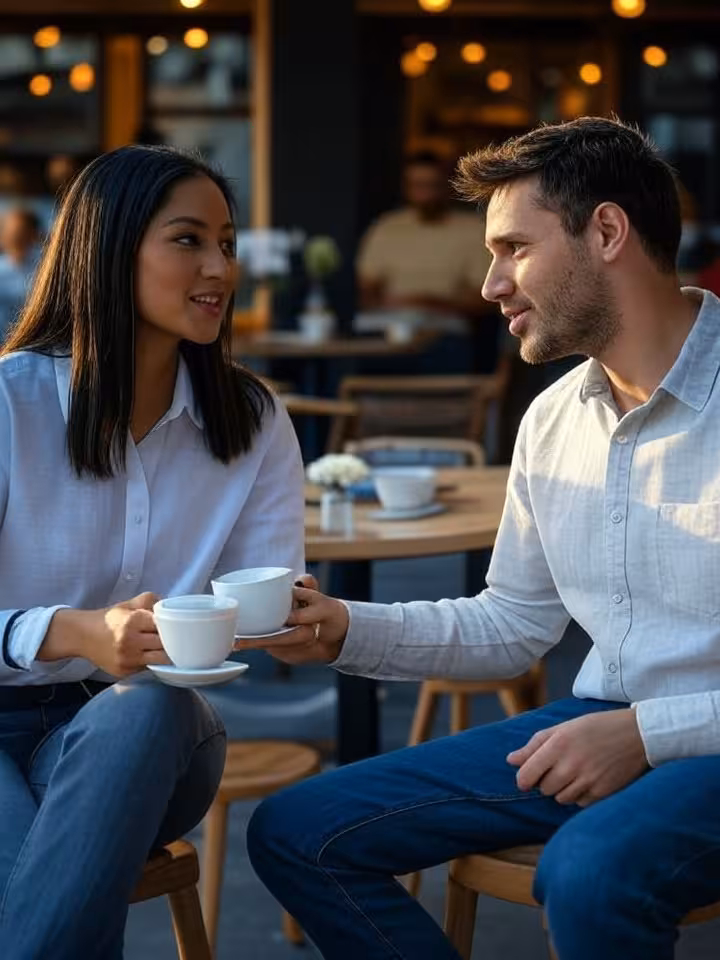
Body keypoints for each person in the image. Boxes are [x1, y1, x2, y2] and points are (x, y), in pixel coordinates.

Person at [242, 116, 720, 960]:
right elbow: (512, 625)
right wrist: (347, 627)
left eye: (513, 249)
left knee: (590, 871)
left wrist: (649, 733)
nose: (491, 283)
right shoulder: (549, 420)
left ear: (606, 231)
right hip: (596, 723)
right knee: (296, 828)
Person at [0, 144, 305, 958]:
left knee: (150, 705)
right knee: (48, 894)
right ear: (108, 247)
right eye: (188, 240)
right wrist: (71, 632)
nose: (220, 267)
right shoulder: (9, 405)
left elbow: (269, 593)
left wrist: (289, 617)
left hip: (142, 739)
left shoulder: (251, 420)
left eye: (229, 243)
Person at [355, 151, 498, 373]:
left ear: (447, 185)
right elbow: (367, 291)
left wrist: (429, 304)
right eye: (417, 185)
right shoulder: (387, 228)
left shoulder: (472, 229)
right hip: (389, 328)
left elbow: (487, 299)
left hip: (447, 331)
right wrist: (390, 309)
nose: (425, 194)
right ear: (406, 188)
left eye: (432, 185)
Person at [0, 208, 42, 342]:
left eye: (20, 231)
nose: (15, 236)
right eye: (10, 231)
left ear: (33, 234)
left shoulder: (45, 268)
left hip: (36, 343)